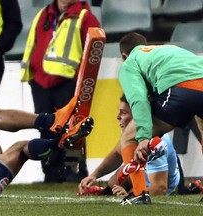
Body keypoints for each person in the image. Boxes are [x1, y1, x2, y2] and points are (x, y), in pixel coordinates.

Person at [117, 32, 203, 205]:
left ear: (123, 56)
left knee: (129, 136)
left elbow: (138, 99)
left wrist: (143, 137)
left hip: (180, 88)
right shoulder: (168, 48)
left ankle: (140, 193)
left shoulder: (130, 62)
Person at [20, 0, 100, 182]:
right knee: (46, 128)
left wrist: (82, 85)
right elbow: (33, 43)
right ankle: (51, 173)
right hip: (41, 83)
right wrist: (31, 77)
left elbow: (93, 52)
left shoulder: (85, 17)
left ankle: (74, 172)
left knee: (73, 128)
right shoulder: (43, 14)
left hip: (69, 83)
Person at [78, 95, 180, 196]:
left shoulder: (157, 140)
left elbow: (160, 187)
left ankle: (127, 194)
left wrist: (129, 196)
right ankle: (106, 192)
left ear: (138, 116)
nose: (118, 116)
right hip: (148, 175)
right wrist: (94, 175)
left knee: (127, 176)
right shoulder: (132, 132)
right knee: (115, 180)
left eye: (123, 112)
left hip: (161, 185)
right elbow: (117, 154)